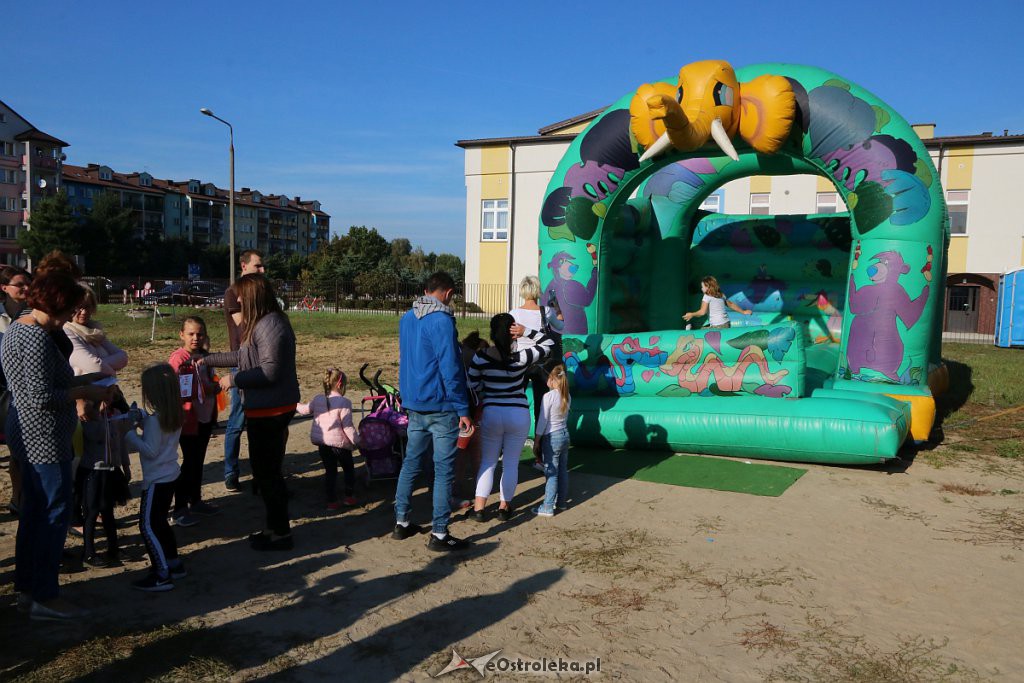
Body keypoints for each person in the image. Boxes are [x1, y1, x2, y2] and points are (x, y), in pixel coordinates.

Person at [1, 271, 110, 620]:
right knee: (52, 512)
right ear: (56, 304)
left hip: (32, 435)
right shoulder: (34, 337)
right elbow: (40, 397)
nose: (69, 318)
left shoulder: (19, 327)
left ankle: (29, 588)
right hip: (42, 438)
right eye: (68, 309)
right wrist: (84, 392)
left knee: (35, 513)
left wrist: (89, 379)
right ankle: (44, 596)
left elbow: (46, 382)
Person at [203, 274, 299, 551]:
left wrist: (233, 380)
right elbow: (243, 358)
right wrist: (206, 359)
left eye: (243, 295)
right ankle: (273, 528)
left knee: (268, 475)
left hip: (272, 409)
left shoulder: (271, 325)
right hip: (264, 408)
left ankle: (281, 534)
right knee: (264, 473)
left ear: (254, 295)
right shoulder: (260, 324)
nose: (239, 300)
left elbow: (269, 371)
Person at [393, 272, 473, 552]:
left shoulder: (407, 318)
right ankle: (439, 533)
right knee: (443, 470)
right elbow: (451, 367)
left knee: (411, 463)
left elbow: (404, 358)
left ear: (425, 290)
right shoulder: (442, 320)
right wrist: (463, 408)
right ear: (448, 293)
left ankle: (402, 521)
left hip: (414, 402)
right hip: (440, 405)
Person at [468, 313, 553, 521]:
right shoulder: (522, 357)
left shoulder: (481, 357)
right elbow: (549, 344)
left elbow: (473, 385)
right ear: (512, 333)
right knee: (511, 463)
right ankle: (504, 508)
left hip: (492, 413)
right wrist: (527, 332)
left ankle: (479, 509)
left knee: (488, 461)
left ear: (491, 332)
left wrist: (486, 389)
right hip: (518, 413)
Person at [124, 364, 187, 592]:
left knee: (147, 526)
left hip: (155, 480)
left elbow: (150, 449)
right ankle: (174, 564)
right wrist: (141, 420)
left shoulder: (154, 421)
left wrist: (129, 433)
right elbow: (159, 438)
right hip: (170, 475)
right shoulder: (174, 415)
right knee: (160, 523)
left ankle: (161, 573)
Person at [168, 316, 221, 527]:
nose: (195, 338)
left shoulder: (205, 358)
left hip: (205, 416)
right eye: (191, 334)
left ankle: (195, 500)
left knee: (198, 461)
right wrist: (204, 389)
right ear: (182, 335)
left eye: (199, 334)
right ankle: (179, 509)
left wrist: (213, 388)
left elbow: (210, 383)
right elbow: (170, 387)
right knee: (189, 463)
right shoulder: (178, 359)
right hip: (187, 419)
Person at [221, 250, 266, 492]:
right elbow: (245, 325)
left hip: (261, 362)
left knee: (259, 421)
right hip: (241, 362)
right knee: (237, 421)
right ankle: (231, 471)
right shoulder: (232, 293)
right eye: (258, 266)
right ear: (244, 265)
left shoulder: (257, 293)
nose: (262, 271)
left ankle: (261, 473)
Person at [76, 398, 128, 567]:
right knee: (91, 512)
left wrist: (124, 466)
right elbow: (96, 436)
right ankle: (89, 552)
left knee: (108, 512)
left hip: (110, 470)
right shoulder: (87, 422)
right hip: (93, 471)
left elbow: (120, 443)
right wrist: (98, 415)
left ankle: (113, 548)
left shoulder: (113, 417)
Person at [296, 368, 358, 511]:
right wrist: (358, 441)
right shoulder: (344, 402)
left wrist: (294, 404)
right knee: (348, 469)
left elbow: (304, 410)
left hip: (323, 444)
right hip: (340, 445)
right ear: (340, 384)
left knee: (330, 472)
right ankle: (349, 496)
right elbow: (348, 427)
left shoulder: (318, 399)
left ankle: (332, 501)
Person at [1, 266, 32, 516]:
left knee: (18, 450)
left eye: (28, 284)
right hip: (2, 390)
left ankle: (18, 497)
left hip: (19, 392)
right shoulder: (1, 317)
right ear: (4, 288)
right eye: (19, 284)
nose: (26, 288)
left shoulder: (32, 314)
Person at [532, 364, 572, 517]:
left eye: (548, 378)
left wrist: (537, 440)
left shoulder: (548, 396)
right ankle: (561, 502)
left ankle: (548, 506)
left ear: (553, 379)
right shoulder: (567, 395)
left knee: (552, 472)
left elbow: (543, 421)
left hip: (552, 436)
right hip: (564, 434)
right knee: (562, 470)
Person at [65, 284, 128, 379]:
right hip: (84, 391)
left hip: (104, 389)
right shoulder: (67, 332)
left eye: (87, 307)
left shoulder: (94, 331)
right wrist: (111, 374)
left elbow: (123, 357)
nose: (84, 312)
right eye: (79, 307)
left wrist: (98, 365)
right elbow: (95, 366)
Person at [682, 276, 752, 329]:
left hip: (717, 327)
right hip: (726, 324)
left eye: (702, 287)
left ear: (707, 287)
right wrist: (743, 312)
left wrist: (692, 314)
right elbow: (731, 304)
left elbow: (702, 312)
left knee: (700, 333)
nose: (701, 289)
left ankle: (688, 330)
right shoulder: (721, 294)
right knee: (705, 328)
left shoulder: (707, 296)